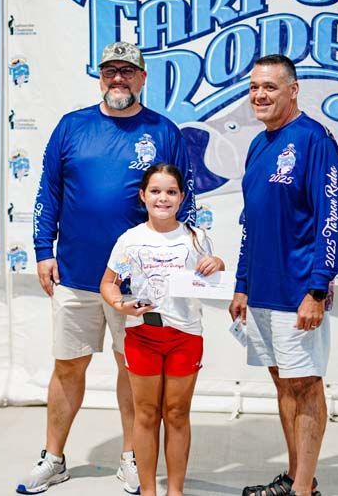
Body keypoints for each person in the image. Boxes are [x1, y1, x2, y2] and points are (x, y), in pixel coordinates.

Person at [17, 42, 195, 495]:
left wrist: (178, 261)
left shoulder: (164, 131)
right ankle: (53, 458)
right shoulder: (72, 127)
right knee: (67, 366)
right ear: (100, 76)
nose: (119, 79)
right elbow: (48, 192)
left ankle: (132, 458)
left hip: (137, 283)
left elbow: (182, 201)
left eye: (128, 71)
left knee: (131, 369)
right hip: (75, 273)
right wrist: (42, 248)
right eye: (110, 71)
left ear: (142, 78)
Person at [229, 54, 338, 496]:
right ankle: (299, 478)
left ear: (293, 90)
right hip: (261, 289)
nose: (259, 95)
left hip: (298, 289)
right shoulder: (259, 144)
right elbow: (250, 220)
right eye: (254, 86)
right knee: (282, 382)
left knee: (306, 383)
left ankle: (302, 491)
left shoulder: (314, 140)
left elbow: (329, 216)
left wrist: (317, 288)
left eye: (270, 87)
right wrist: (241, 282)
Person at [100, 163, 224, 496]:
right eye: (155, 191)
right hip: (142, 337)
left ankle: (175, 491)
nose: (163, 198)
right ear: (143, 196)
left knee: (177, 413)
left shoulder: (195, 238)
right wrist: (121, 304)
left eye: (171, 191)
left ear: (182, 198)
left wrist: (219, 263)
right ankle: (148, 490)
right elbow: (109, 283)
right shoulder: (131, 241)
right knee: (146, 413)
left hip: (185, 338)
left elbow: (211, 275)